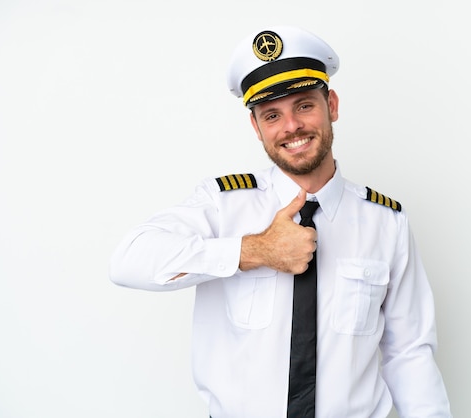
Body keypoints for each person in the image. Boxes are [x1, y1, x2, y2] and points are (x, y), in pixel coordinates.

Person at [109, 25, 452, 418]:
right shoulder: (223, 206)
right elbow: (127, 261)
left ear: (332, 106)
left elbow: (409, 354)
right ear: (256, 128)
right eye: (272, 114)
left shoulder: (386, 223)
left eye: (304, 105)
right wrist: (253, 250)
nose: (291, 127)